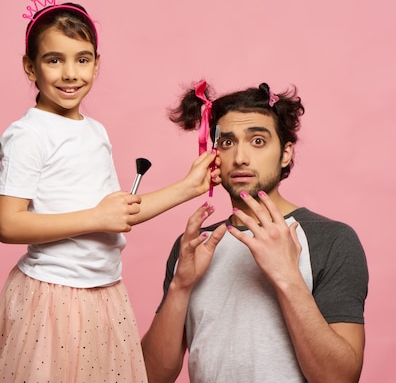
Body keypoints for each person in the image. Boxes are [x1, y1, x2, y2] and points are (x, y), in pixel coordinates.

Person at [0, 0, 219, 383]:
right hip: (52, 297)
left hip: (104, 295)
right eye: (54, 60)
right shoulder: (28, 134)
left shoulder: (95, 131)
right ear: (30, 67)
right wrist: (96, 216)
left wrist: (190, 187)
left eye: (82, 59)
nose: (70, 73)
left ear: (96, 63)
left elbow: (118, 214)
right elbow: (9, 225)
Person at [141, 81, 369, 383]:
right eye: (227, 142)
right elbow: (152, 376)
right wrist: (180, 288)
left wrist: (288, 277)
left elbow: (339, 378)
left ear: (286, 153)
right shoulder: (196, 246)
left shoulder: (331, 240)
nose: (240, 158)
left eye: (258, 141)